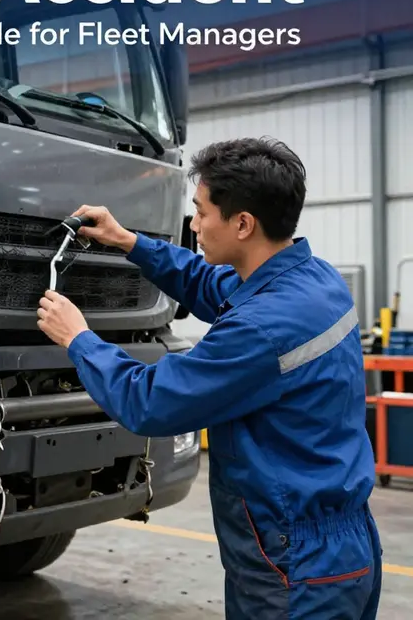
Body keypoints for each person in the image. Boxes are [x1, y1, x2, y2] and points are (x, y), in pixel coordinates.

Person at [37, 137, 382, 620]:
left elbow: (150, 402)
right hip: (345, 543)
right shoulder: (315, 280)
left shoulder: (260, 329)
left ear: (243, 224)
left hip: (294, 562)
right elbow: (206, 282)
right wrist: (129, 241)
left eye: (200, 212)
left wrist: (78, 338)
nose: (194, 225)